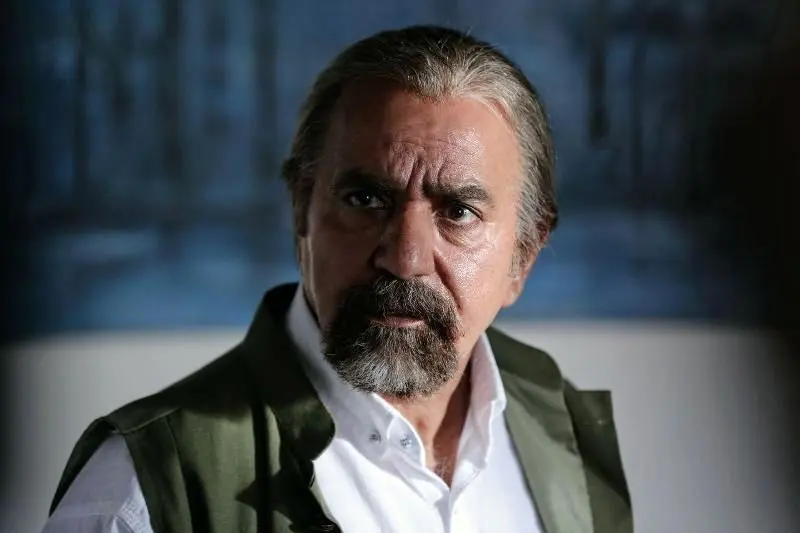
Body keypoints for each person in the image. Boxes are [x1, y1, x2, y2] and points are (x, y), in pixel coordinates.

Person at [42, 25, 631, 533]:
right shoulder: (145, 485)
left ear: (523, 256)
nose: (405, 258)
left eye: (457, 212)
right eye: (367, 198)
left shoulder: (568, 434)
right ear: (302, 209)